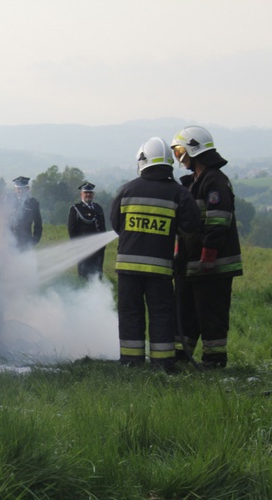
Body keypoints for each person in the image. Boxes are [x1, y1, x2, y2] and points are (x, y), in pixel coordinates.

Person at [110, 137, 200, 370]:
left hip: (128, 268)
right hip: (160, 270)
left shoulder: (127, 190)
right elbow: (191, 226)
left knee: (130, 313)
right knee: (161, 315)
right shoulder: (178, 193)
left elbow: (116, 225)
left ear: (143, 161)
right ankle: (162, 362)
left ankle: (131, 361)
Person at [171, 126, 243, 369]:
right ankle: (182, 356)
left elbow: (219, 220)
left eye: (181, 151)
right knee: (187, 311)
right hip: (192, 263)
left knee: (210, 313)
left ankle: (214, 360)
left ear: (194, 149)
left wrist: (208, 256)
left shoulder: (215, 181)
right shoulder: (194, 182)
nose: (180, 157)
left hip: (213, 265)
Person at [67, 181, 106, 279]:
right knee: (84, 274)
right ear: (81, 194)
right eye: (86, 192)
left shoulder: (98, 208)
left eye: (90, 193)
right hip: (84, 247)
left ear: (93, 194)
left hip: (98, 248)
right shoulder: (76, 209)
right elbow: (72, 230)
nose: (88, 195)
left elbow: (102, 227)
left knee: (98, 274)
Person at [7, 176, 42, 250]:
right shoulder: (9, 201)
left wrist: (34, 240)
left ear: (27, 189)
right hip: (9, 241)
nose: (20, 191)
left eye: (23, 189)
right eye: (18, 189)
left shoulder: (33, 203)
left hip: (25, 241)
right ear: (15, 189)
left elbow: (38, 224)